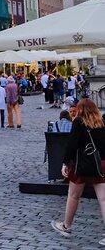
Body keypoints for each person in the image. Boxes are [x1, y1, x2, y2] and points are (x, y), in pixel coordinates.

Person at [52, 99, 105, 241]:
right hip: (100, 164)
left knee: (73, 196)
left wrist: (65, 163)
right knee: (103, 200)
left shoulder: (78, 122)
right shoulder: (101, 122)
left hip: (81, 164)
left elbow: (72, 145)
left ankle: (66, 226)